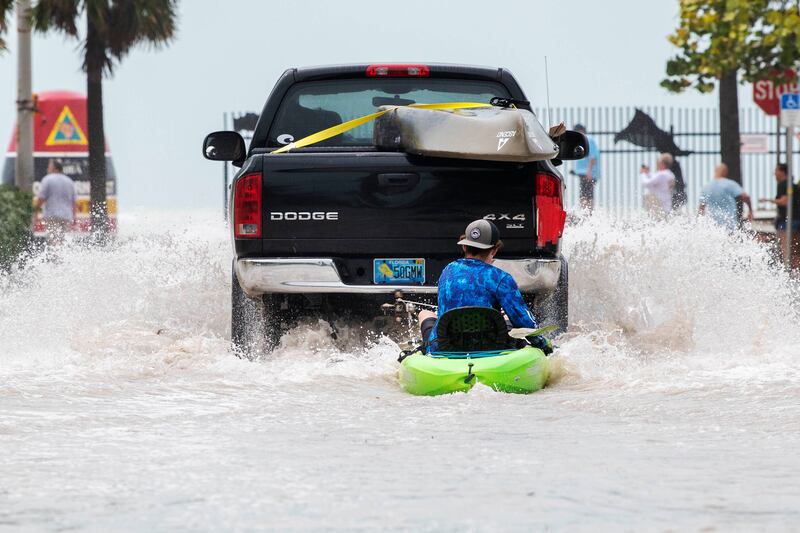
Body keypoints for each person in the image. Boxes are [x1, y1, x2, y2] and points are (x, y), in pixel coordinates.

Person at [418, 219, 551, 354]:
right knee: (505, 317)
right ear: (494, 250)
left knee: (425, 314)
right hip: (490, 347)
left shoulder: (448, 271)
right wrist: (544, 345)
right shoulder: (501, 278)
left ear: (464, 247)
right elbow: (523, 321)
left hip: (446, 347)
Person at [759, 163, 800, 270]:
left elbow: (784, 201)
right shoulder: (792, 184)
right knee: (795, 249)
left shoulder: (783, 184)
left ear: (782, 172)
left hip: (787, 220)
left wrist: (767, 200)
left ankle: (787, 271)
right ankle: (795, 272)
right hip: (795, 219)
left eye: (776, 171)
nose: (774, 173)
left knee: (785, 248)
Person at [698, 163, 753, 232]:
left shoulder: (706, 188)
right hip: (729, 225)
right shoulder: (730, 184)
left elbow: (701, 209)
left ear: (715, 171)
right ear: (725, 172)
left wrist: (700, 225)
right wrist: (750, 211)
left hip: (713, 227)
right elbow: (746, 197)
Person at [34, 159, 76, 246]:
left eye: (49, 167)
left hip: (52, 216)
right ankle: (63, 257)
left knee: (54, 241)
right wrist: (74, 217)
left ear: (55, 168)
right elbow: (73, 201)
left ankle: (56, 258)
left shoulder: (47, 179)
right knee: (63, 241)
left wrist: (35, 213)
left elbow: (41, 198)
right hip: (66, 216)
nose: (48, 169)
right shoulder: (69, 181)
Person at [573, 123, 600, 211]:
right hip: (584, 172)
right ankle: (586, 214)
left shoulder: (588, 139)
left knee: (587, 195)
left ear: (581, 131)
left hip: (587, 173)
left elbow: (592, 157)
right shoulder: (584, 140)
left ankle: (587, 215)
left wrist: (589, 171)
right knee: (584, 195)